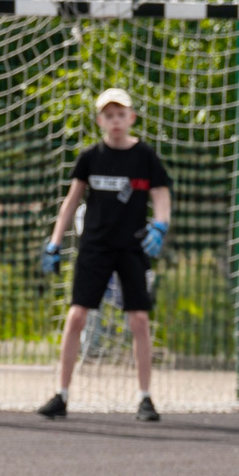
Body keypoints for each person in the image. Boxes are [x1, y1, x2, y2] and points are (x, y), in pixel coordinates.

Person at [35, 88, 172, 422]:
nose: (115, 121)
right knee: (77, 316)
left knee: (138, 319)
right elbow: (70, 203)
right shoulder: (90, 157)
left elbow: (162, 195)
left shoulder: (145, 157)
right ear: (100, 120)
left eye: (121, 115)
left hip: (131, 247)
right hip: (94, 248)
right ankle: (62, 394)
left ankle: (144, 397)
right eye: (108, 116)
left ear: (131, 118)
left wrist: (160, 226)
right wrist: (54, 243)